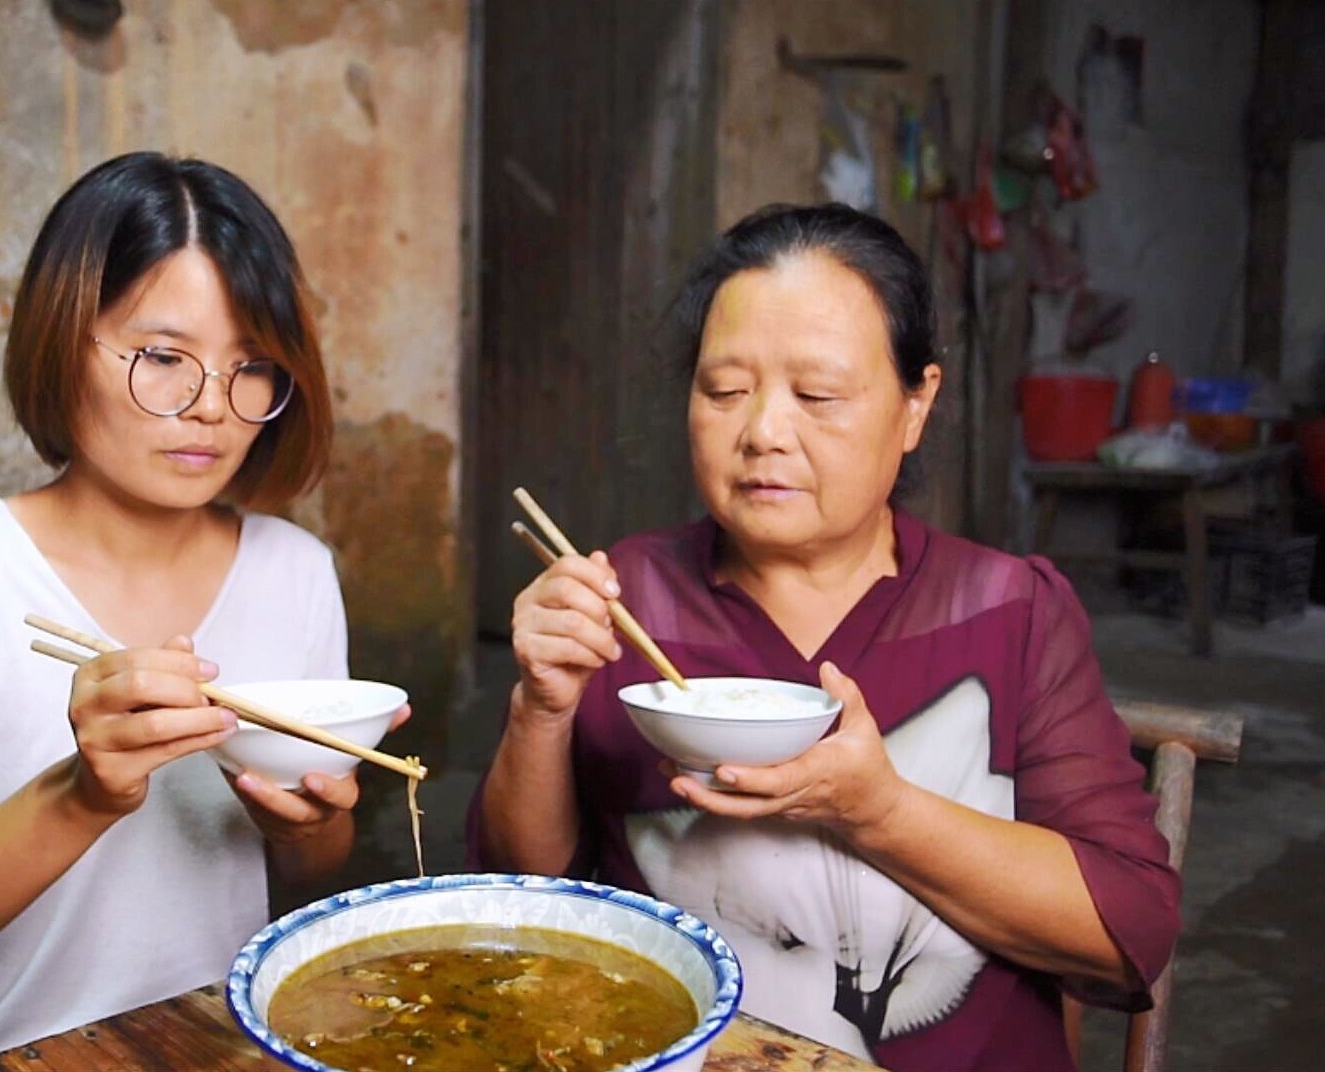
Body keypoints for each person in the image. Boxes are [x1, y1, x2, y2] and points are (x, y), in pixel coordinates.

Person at [468, 202, 1178, 1070]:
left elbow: (1129, 932)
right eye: (725, 391)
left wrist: (880, 815)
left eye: (817, 395)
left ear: (917, 405)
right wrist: (539, 708)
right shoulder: (619, 601)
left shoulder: (1011, 610)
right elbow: (516, 898)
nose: (763, 431)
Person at [0, 151, 403, 1067]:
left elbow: (308, 873)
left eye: (252, 367)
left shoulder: (295, 569)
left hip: (228, 1045)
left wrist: (308, 821)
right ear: (64, 340)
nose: (211, 408)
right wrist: (84, 793)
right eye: (164, 358)